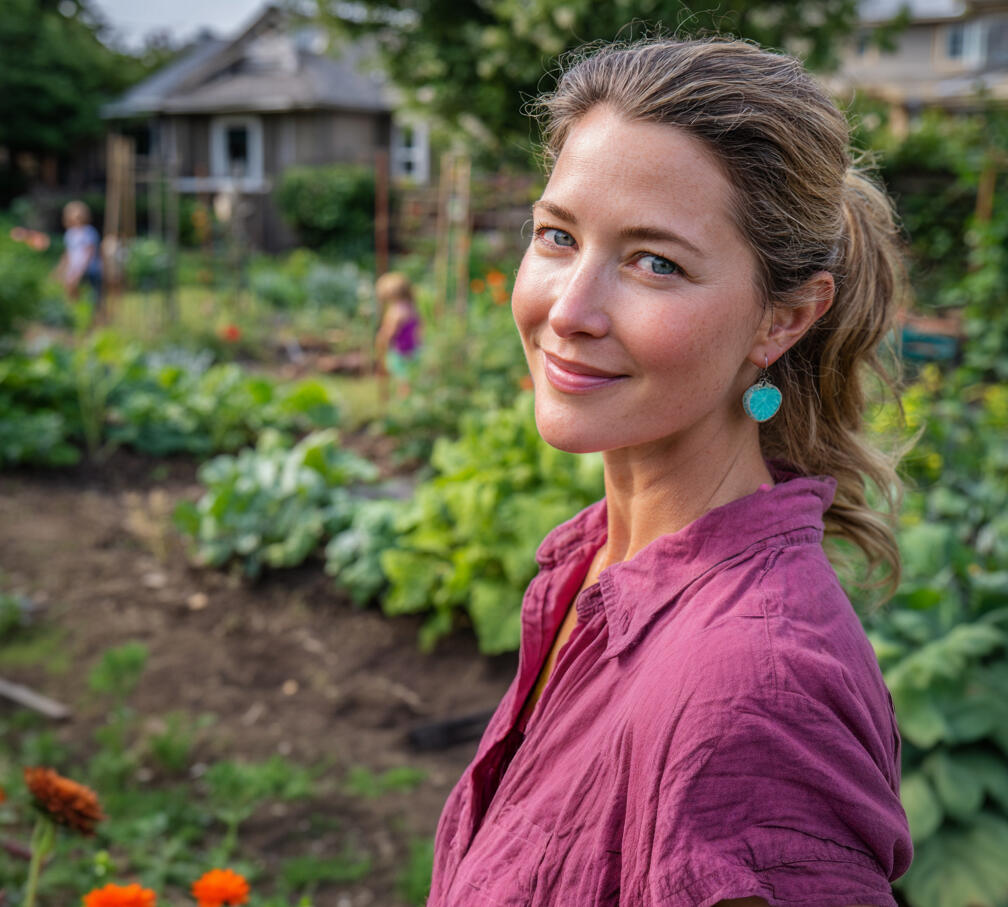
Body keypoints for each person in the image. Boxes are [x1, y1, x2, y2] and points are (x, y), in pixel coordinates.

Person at [428, 38, 913, 907]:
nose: (569, 311)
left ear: (785, 318)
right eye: (557, 236)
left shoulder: (754, 685)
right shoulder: (597, 570)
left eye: (655, 262)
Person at [374, 271, 422, 398]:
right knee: (410, 380)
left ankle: (404, 406)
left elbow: (389, 333)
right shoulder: (411, 306)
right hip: (413, 350)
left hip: (401, 352)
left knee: (403, 383)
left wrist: (381, 340)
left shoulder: (396, 311)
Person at [56, 200, 102, 306]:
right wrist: (60, 269)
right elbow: (67, 254)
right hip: (74, 268)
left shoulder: (89, 232)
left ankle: (96, 315)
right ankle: (77, 310)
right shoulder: (70, 234)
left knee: (93, 296)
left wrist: (80, 271)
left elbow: (89, 253)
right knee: (70, 289)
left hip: (90, 269)